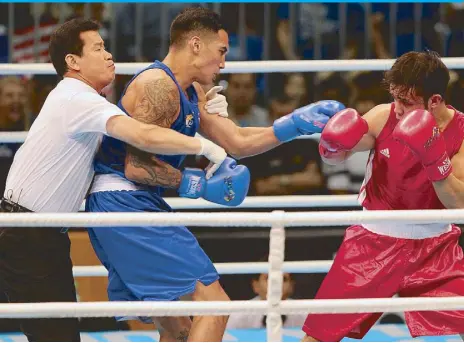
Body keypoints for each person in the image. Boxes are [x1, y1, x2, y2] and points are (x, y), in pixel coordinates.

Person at [85, 7, 345, 342]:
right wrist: (196, 184)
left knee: (177, 328)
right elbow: (136, 165)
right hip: (124, 202)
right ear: (195, 45)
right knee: (215, 304)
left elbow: (236, 140)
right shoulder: (157, 86)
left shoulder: (189, 92)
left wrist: (293, 125)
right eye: (220, 52)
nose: (223, 63)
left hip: (132, 204)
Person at [0, 18, 232, 342]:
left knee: (60, 336)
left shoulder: (85, 102)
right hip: (27, 232)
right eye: (98, 48)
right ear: (73, 62)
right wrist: (204, 145)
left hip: (39, 231)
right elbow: (142, 135)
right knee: (57, 337)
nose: (109, 55)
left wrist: (202, 109)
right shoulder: (77, 97)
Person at [302, 50, 464, 341]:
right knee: (318, 335)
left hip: (435, 247)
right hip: (373, 243)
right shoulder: (382, 115)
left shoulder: (461, 133)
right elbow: (341, 154)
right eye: (395, 98)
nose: (397, 108)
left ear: (435, 101)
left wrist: (433, 157)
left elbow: (458, 202)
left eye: (407, 101)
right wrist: (333, 145)